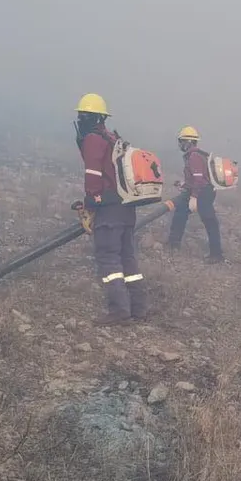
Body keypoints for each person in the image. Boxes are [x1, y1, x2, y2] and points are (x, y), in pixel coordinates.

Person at [73, 93, 146, 325]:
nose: (80, 119)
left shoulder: (94, 139)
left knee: (108, 258)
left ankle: (119, 310)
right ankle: (139, 307)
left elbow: (93, 174)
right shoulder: (113, 138)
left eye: (82, 115)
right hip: (126, 206)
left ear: (89, 117)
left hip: (109, 208)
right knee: (128, 257)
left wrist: (91, 201)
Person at [166, 126, 223, 263]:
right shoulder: (197, 155)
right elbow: (195, 179)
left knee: (210, 222)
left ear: (188, 142)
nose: (180, 145)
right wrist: (184, 185)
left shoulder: (194, 157)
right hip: (202, 190)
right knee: (180, 213)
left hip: (203, 192)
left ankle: (216, 255)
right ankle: (173, 244)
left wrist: (194, 197)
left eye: (181, 141)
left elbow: (199, 180)